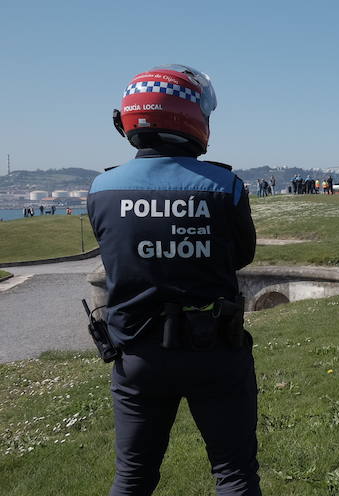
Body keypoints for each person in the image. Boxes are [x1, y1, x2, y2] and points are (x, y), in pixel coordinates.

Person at [87, 64, 261, 496]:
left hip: (136, 354)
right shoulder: (226, 186)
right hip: (214, 348)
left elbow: (116, 256)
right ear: (192, 118)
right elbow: (241, 255)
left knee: (133, 477)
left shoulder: (102, 188)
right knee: (234, 475)